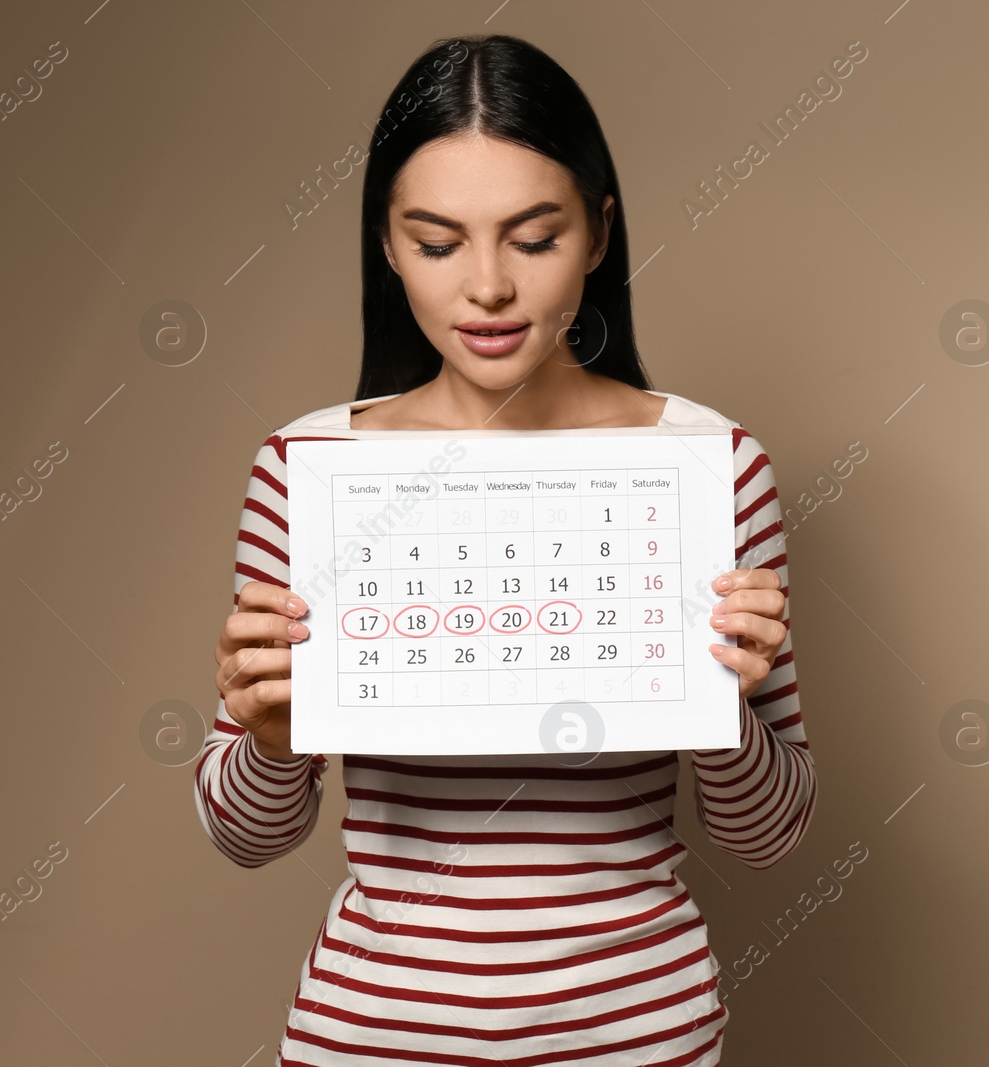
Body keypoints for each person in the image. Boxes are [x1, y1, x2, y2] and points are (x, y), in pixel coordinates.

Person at [195, 33, 815, 1066]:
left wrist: (722, 710)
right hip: (372, 1035)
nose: (486, 285)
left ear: (599, 232)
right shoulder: (307, 467)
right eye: (437, 243)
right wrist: (270, 734)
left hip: (637, 1034)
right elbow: (241, 833)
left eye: (533, 237)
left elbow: (768, 835)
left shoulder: (710, 464)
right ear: (386, 247)